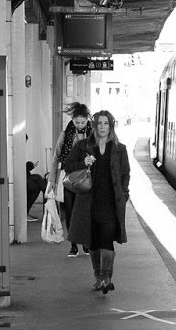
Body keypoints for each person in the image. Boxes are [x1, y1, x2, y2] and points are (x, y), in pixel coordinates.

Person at [63, 110, 131, 294]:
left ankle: (107, 278)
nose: (102, 127)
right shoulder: (83, 146)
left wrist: (124, 194)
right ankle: (98, 277)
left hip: (110, 201)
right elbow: (67, 167)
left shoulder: (119, 148)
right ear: (94, 125)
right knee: (93, 240)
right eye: (99, 123)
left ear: (111, 125)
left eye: (106, 123)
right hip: (88, 201)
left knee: (107, 237)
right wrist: (83, 163)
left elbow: (125, 174)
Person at [53, 103, 91, 257]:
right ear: (72, 120)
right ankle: (73, 245)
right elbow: (56, 157)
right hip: (69, 178)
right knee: (70, 211)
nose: (80, 125)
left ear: (88, 119)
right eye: (77, 122)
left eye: (83, 122)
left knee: (85, 212)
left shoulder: (93, 134)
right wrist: (52, 180)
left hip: (87, 178)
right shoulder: (65, 134)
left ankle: (86, 243)